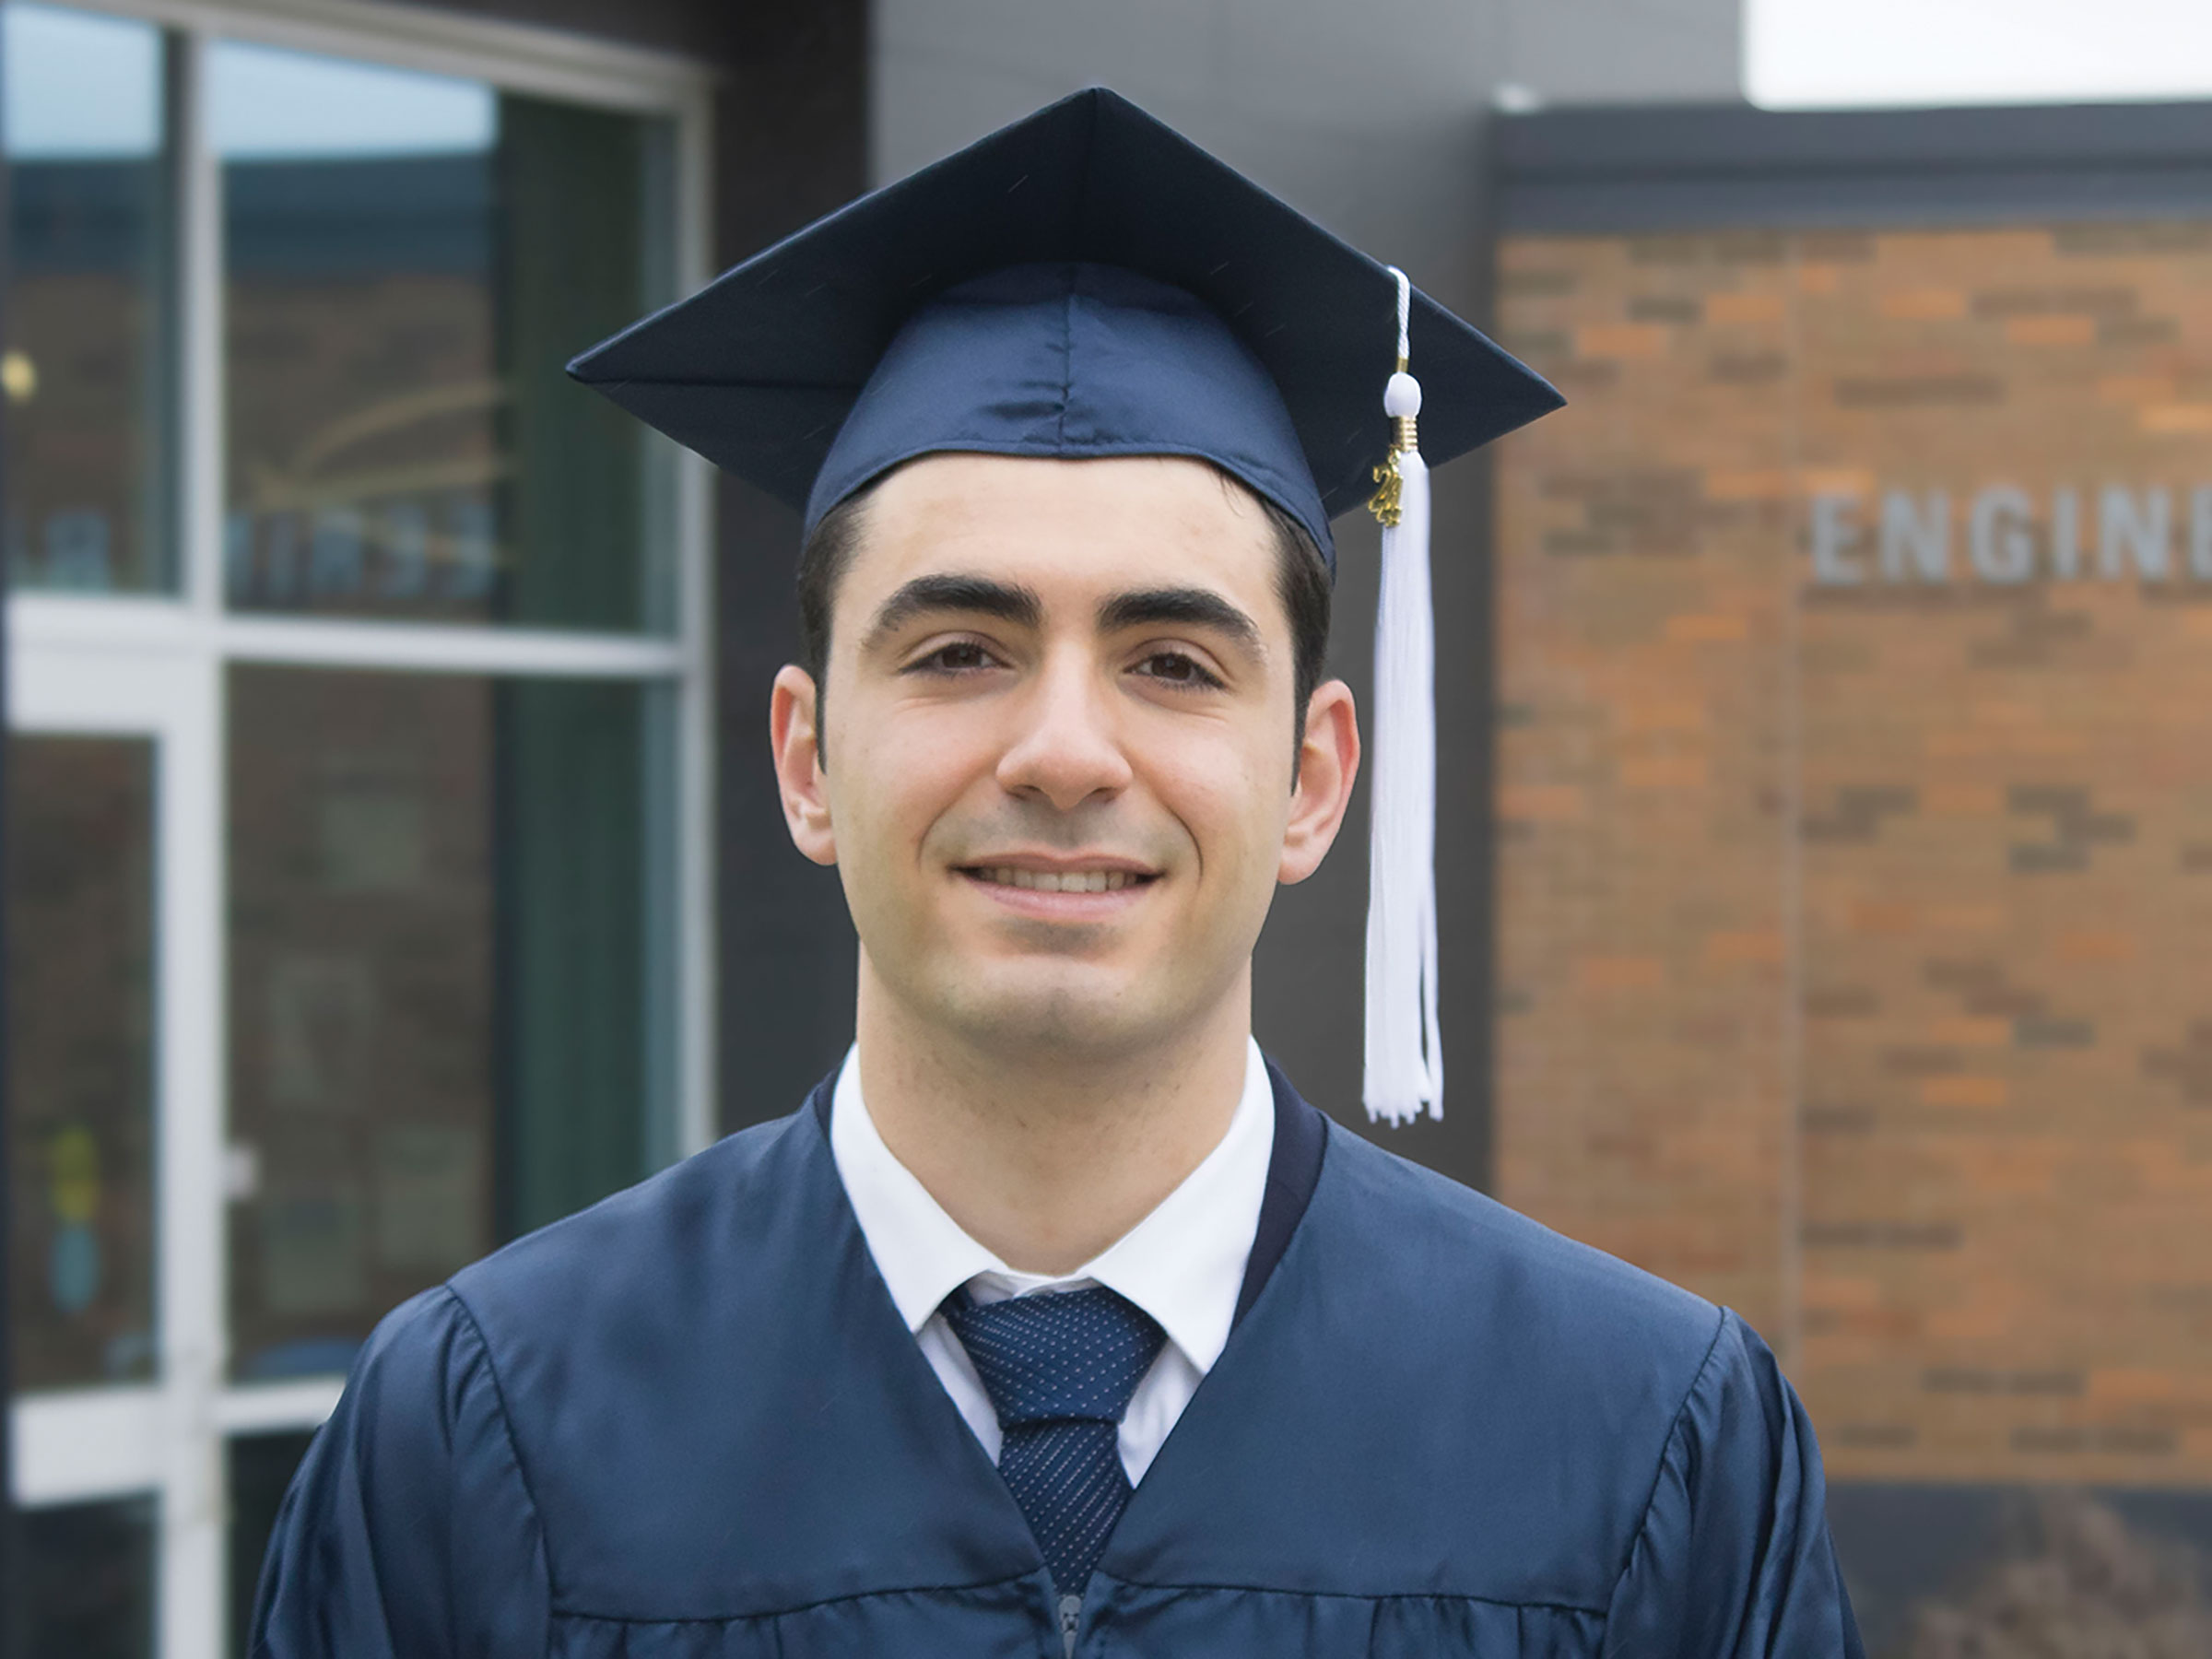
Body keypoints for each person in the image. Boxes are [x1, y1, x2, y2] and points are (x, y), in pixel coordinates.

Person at [252, 88, 1864, 1659]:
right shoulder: (485, 1435)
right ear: (808, 761)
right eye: (960, 650)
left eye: (1171, 661)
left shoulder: (1645, 1445)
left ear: (1313, 782)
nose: (1066, 752)